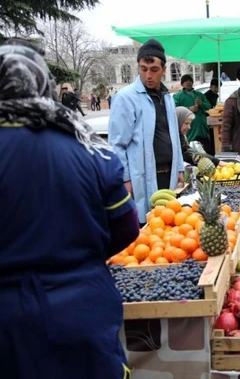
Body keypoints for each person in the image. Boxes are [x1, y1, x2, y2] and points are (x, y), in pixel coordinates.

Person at [0, 42, 139, 378]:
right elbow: (127, 227)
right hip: (82, 312)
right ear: (44, 83)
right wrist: (82, 257)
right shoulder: (88, 149)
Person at [108, 39, 185, 225]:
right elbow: (117, 144)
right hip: (140, 178)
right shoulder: (125, 98)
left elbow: (174, 134)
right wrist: (125, 179)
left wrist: (180, 167)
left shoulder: (168, 98)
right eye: (143, 69)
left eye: (154, 70)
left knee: (168, 228)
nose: (148, 75)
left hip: (168, 175)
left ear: (164, 69)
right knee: (146, 229)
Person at [173, 74, 213, 154]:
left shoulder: (199, 95)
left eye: (190, 81)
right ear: (182, 84)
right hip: (189, 130)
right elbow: (174, 110)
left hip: (202, 129)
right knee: (192, 152)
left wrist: (201, 104)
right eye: (186, 81)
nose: (188, 83)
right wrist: (188, 109)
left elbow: (209, 106)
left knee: (206, 152)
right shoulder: (177, 96)